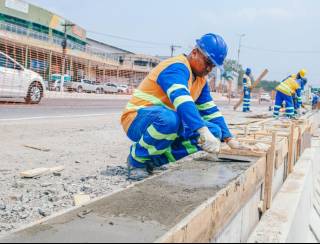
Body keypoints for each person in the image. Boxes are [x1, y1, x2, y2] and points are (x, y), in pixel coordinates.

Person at [121, 33, 250, 180]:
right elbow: (183, 101)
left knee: (214, 131)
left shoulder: (201, 80)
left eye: (212, 66)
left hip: (168, 121)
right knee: (171, 120)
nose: (209, 69)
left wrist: (230, 140)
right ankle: (137, 160)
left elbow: (211, 111)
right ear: (194, 52)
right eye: (207, 62)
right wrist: (202, 130)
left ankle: (154, 160)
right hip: (137, 119)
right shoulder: (176, 67)